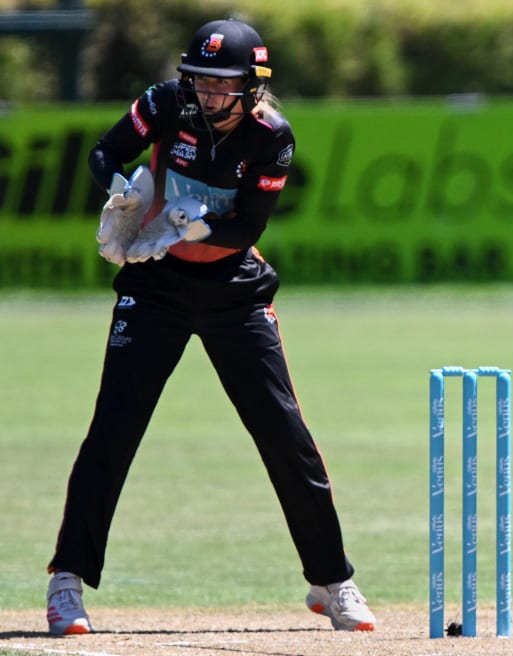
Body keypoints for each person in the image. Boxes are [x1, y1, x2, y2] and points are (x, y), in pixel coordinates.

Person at [45, 18, 376, 636]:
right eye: (199, 81)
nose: (208, 96)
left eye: (223, 86)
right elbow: (103, 151)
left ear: (252, 88)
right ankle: (67, 581)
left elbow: (247, 227)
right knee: (113, 429)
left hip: (234, 293)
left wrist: (188, 228)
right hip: (156, 286)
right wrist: (123, 196)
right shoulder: (165, 104)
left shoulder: (271, 137)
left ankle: (332, 581)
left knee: (284, 432)